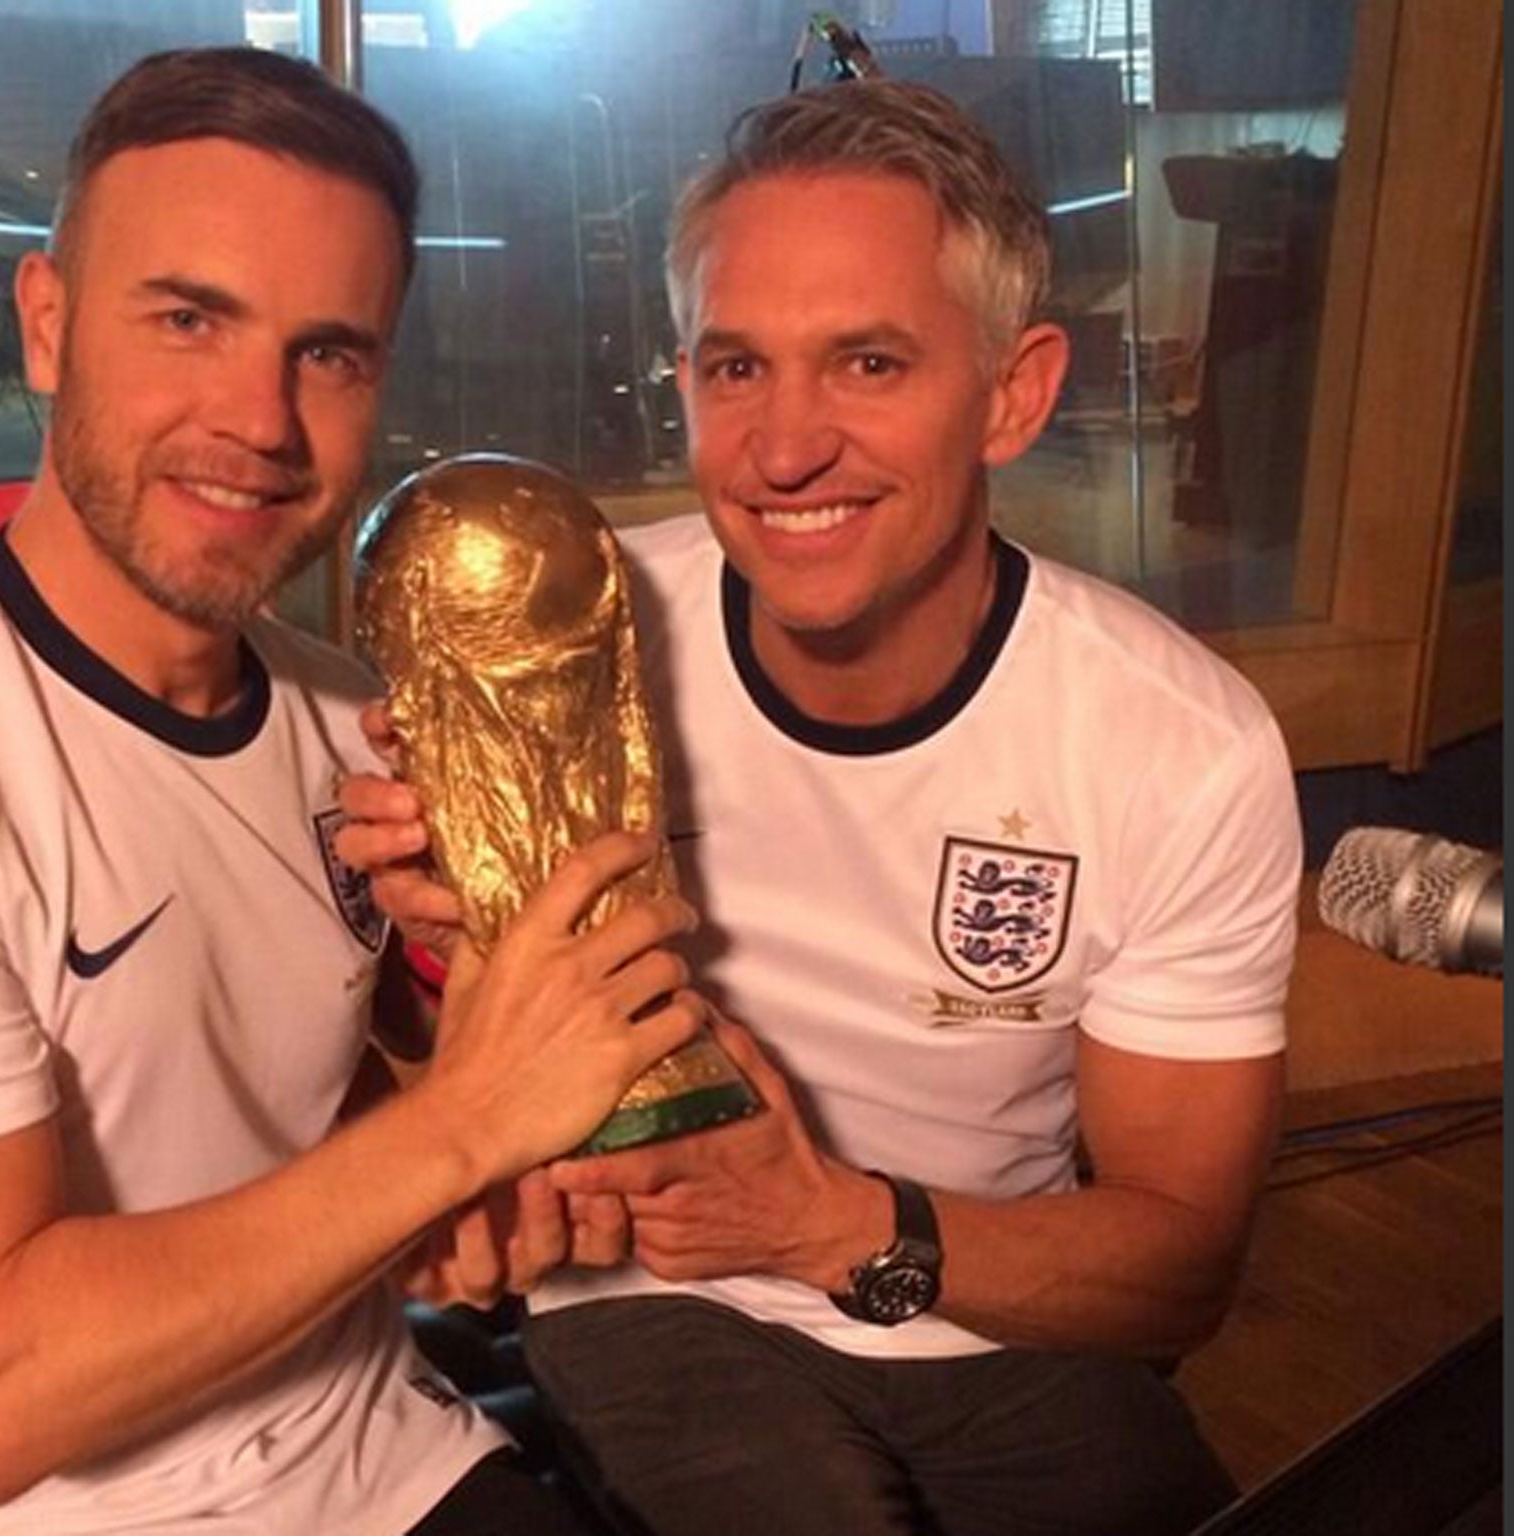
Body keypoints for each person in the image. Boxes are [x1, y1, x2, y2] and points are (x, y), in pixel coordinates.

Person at [0, 47, 708, 1536]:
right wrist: (464, 1130)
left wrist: (463, 1042)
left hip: (367, 1454)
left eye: (328, 353)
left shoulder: (350, 721)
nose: (262, 422)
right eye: (187, 320)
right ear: (48, 326)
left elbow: (288, 1089)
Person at [337, 77, 1302, 1536]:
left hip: (981, 1296)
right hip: (651, 1290)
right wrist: (430, 942)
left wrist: (834, 1223)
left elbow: (1180, 1265)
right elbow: (417, 1040)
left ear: (1015, 392)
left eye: (867, 363)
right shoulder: (568, 620)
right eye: (735, 370)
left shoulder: (1179, 744)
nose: (786, 450)